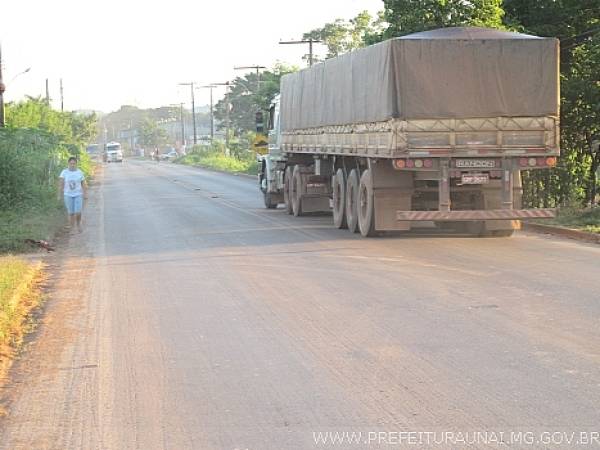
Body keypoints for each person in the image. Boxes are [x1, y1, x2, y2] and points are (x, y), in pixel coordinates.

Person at [58, 157, 87, 232]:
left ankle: (78, 223)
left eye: (74, 163)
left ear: (76, 164)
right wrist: (59, 194)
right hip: (67, 195)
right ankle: (71, 227)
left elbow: (83, 183)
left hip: (78, 194)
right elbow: (61, 184)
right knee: (70, 213)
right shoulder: (64, 172)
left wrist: (85, 194)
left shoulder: (79, 172)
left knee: (78, 212)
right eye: (71, 163)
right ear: (68, 164)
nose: (72, 165)